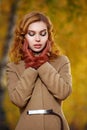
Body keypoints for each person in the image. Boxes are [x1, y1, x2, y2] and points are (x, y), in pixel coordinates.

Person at [6, 11, 72, 130]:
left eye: (42, 33)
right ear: (24, 36)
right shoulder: (13, 67)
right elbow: (18, 100)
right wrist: (31, 67)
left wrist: (42, 65)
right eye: (31, 34)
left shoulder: (62, 61)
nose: (37, 39)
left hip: (56, 125)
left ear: (48, 35)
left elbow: (63, 92)